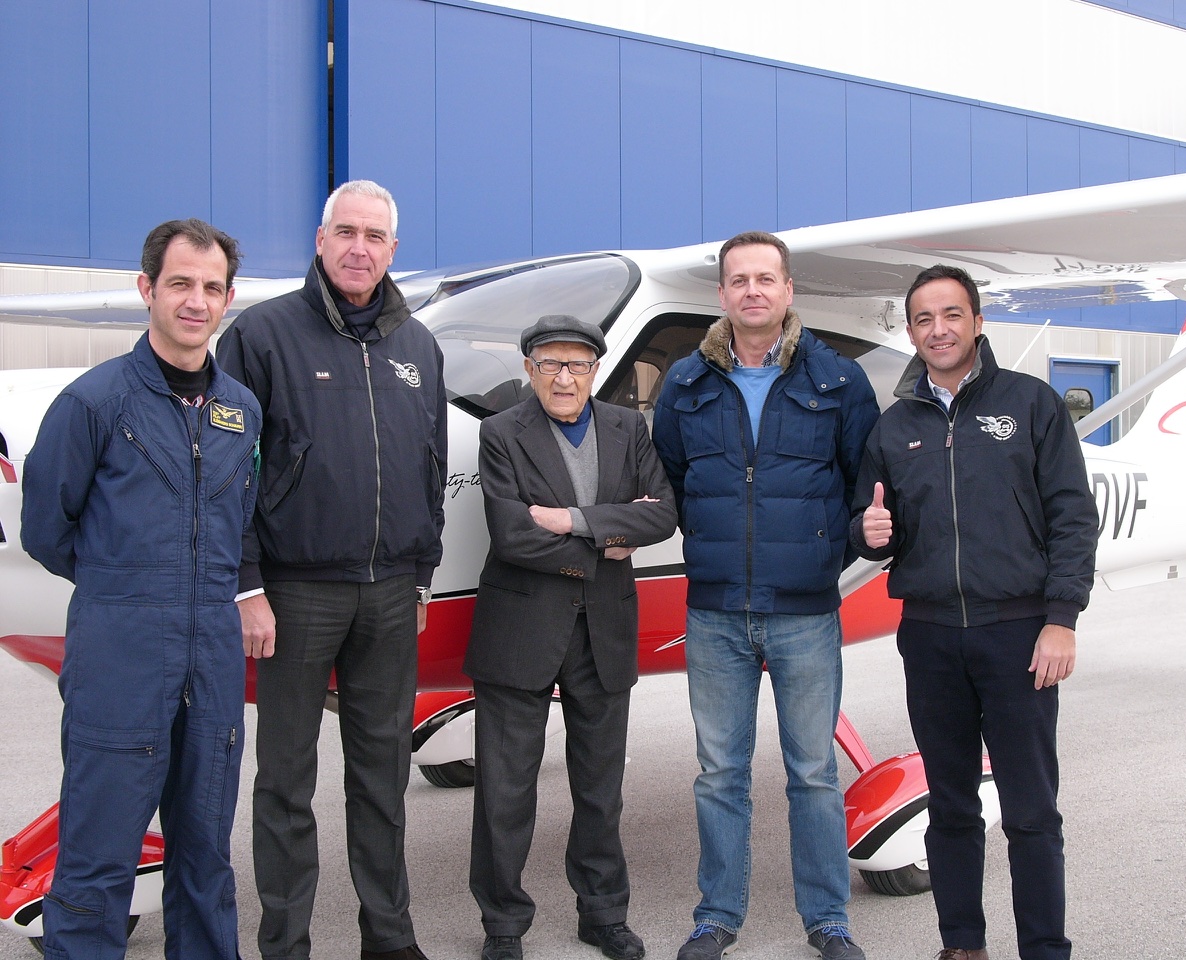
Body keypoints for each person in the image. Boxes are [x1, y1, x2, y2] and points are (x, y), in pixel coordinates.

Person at [215, 180, 447, 960]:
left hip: (391, 594)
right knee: (285, 782)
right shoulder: (262, 335)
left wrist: (420, 573)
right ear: (320, 241)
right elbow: (229, 472)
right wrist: (248, 584)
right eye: (346, 232)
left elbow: (431, 465)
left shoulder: (419, 347)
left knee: (382, 776)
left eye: (374, 236)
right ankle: (285, 944)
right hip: (295, 592)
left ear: (392, 250)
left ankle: (389, 936)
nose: (359, 248)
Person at [20, 219, 260, 960]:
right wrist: (126, 586)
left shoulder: (241, 411)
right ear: (147, 289)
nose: (196, 301)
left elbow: (241, 521)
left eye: (211, 287)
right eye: (180, 283)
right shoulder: (94, 403)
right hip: (120, 654)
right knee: (98, 858)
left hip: (211, 655)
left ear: (227, 299)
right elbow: (46, 529)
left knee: (206, 855)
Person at [850, 264, 1099, 960]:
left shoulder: (1030, 403)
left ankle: (1044, 949)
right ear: (911, 332)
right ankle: (962, 946)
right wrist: (868, 532)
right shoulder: (894, 426)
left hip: (1017, 633)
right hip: (929, 637)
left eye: (952, 314)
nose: (939, 330)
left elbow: (1072, 517)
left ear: (978, 322)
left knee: (1030, 811)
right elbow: (870, 522)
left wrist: (1061, 618)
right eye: (924, 319)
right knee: (951, 807)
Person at [652, 231, 879, 960]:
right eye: (738, 280)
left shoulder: (839, 380)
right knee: (720, 775)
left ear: (788, 290)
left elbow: (864, 487)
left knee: (812, 772)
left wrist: (827, 554)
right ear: (721, 293)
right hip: (715, 611)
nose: (752, 290)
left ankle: (828, 919)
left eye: (765, 278)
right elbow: (674, 481)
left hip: (804, 611)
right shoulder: (685, 383)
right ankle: (717, 915)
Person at [464, 314, 677, 960]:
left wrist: (573, 520)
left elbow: (663, 515)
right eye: (550, 364)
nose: (565, 377)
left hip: (603, 628)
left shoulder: (628, 428)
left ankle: (603, 913)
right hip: (520, 630)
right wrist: (609, 536)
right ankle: (503, 924)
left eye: (578, 364)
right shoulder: (501, 433)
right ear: (529, 370)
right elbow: (512, 536)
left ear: (594, 371)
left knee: (600, 789)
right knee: (504, 791)